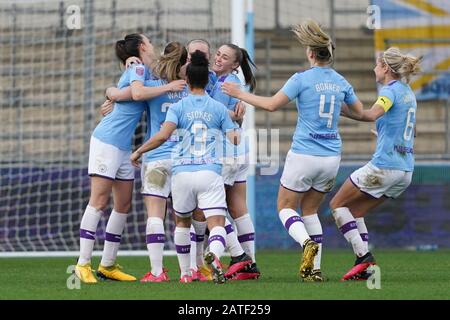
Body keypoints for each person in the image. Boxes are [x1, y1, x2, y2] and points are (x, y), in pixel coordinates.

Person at [222, 19, 364, 281]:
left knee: (285, 207)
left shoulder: (301, 79)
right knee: (310, 210)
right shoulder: (341, 82)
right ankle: (315, 270)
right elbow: (361, 113)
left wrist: (238, 93)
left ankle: (306, 244)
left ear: (310, 53)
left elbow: (272, 105)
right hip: (331, 157)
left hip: (304, 154)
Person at [130, 50, 240, 284]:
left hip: (181, 172)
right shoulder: (218, 108)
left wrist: (139, 150)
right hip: (209, 172)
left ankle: (184, 274)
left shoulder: (178, 106)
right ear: (206, 80)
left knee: (182, 222)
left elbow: (162, 136)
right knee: (216, 223)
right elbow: (234, 139)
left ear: (187, 80)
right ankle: (214, 256)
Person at [329, 47, 421, 281]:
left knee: (337, 205)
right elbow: (412, 131)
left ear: (386, 68)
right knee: (355, 212)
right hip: (405, 170)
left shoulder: (389, 91)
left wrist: (341, 109)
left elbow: (371, 114)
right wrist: (384, 136)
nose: (374, 69)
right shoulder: (408, 92)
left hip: (384, 166)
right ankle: (365, 267)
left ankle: (364, 258)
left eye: (377, 65)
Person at [75, 33, 155, 284]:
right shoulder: (138, 67)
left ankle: (107, 264)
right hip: (107, 141)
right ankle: (82, 264)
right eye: (149, 41)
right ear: (142, 47)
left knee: (123, 205)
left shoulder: (142, 69)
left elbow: (123, 93)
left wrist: (112, 93)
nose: (152, 44)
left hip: (123, 146)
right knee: (98, 201)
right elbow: (136, 94)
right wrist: (113, 94)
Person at [106, 42, 188, 283]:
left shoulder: (153, 86)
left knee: (155, 214)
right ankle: (189, 271)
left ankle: (156, 272)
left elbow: (129, 95)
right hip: (185, 161)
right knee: (185, 217)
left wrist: (110, 94)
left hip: (157, 158)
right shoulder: (192, 89)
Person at [184, 39, 251, 281]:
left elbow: (214, 114)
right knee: (232, 208)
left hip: (226, 153)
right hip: (232, 151)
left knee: (208, 210)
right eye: (218, 54)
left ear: (234, 65)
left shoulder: (228, 84)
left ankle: (235, 258)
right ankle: (245, 261)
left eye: (224, 57)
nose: (218, 58)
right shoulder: (220, 81)